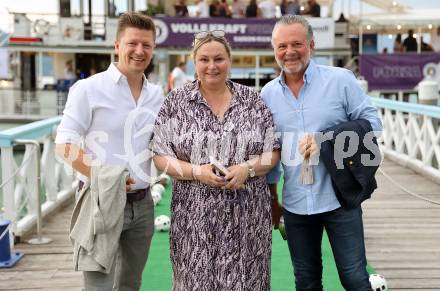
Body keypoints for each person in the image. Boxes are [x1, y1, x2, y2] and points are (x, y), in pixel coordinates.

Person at [152, 30, 281, 290]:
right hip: (194, 221)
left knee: (248, 283)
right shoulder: (176, 103)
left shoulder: (253, 101)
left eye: (219, 59)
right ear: (194, 62)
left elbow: (273, 152)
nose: (212, 66)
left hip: (248, 220)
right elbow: (160, 157)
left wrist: (248, 169)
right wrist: (197, 172)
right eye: (204, 59)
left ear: (229, 61)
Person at [261, 15, 382, 291]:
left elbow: (374, 125)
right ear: (274, 49)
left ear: (311, 45)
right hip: (295, 205)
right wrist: (272, 198)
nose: (289, 52)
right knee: (306, 281)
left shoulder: (341, 80)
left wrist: (327, 140)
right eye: (282, 46)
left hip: (340, 199)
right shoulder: (267, 95)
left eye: (297, 44)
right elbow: (271, 150)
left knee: (354, 279)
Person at [55, 12, 164, 291]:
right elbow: (64, 146)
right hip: (100, 201)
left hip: (142, 205)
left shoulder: (157, 95)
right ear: (117, 45)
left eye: (146, 45)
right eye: (132, 43)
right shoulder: (87, 89)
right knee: (98, 287)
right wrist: (107, 177)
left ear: (153, 48)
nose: (139, 51)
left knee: (131, 284)